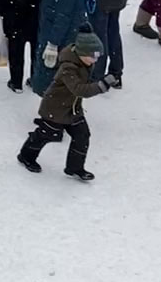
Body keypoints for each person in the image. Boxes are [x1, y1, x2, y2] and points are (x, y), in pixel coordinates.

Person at [17, 28, 108, 182]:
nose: (96, 60)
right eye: (93, 56)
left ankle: (75, 167)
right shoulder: (68, 68)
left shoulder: (85, 63)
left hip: (73, 109)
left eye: (98, 55)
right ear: (81, 53)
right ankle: (26, 155)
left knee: (82, 135)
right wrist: (101, 86)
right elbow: (79, 89)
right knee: (46, 135)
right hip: (55, 109)